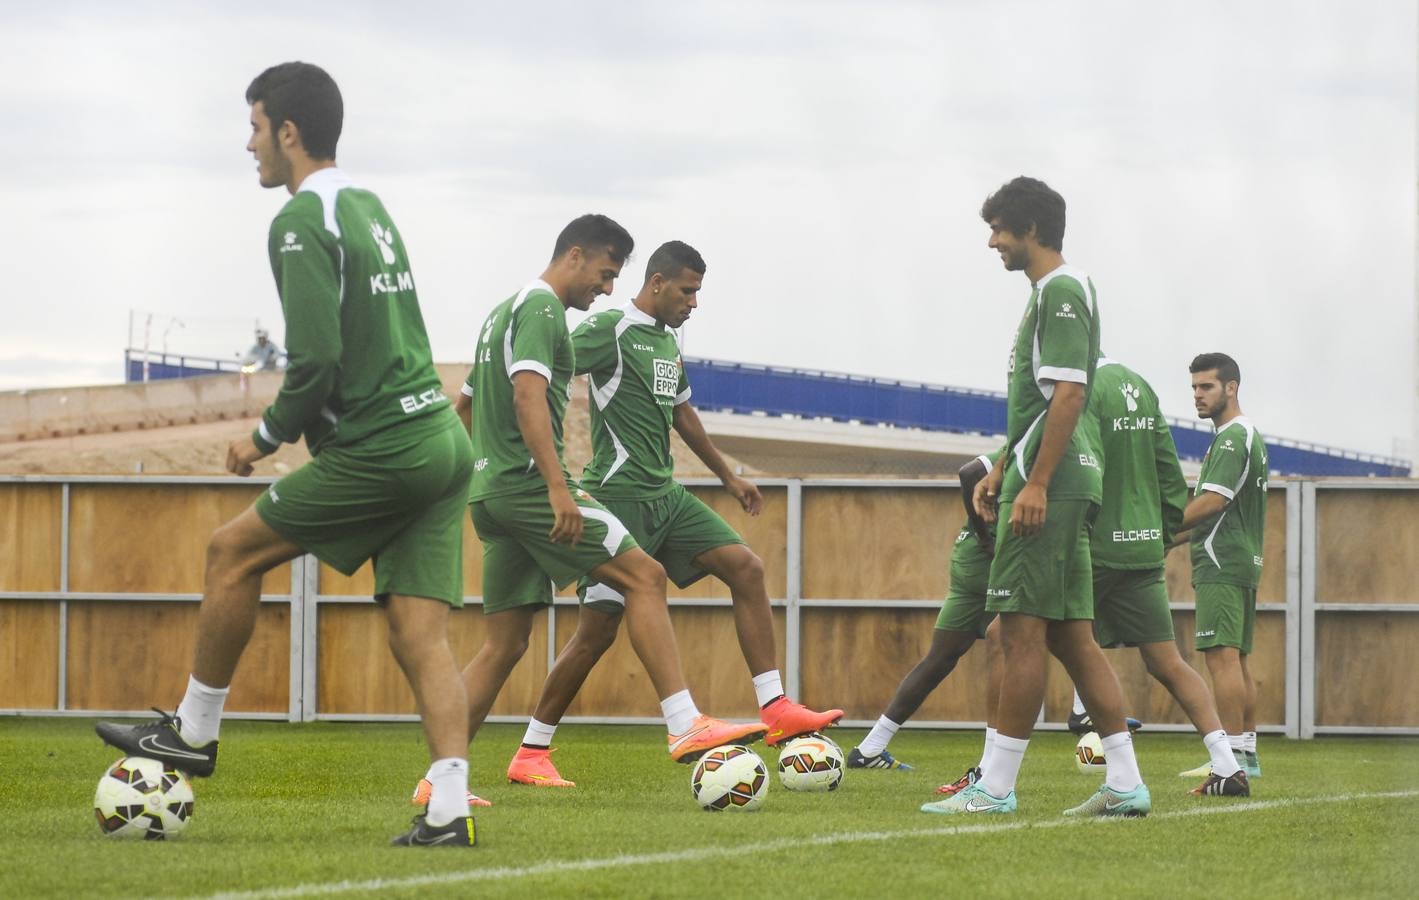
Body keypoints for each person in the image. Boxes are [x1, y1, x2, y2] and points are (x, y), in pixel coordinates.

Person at [96, 62, 477, 848]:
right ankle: (448, 812)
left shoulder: (300, 220)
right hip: (442, 439)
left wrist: (261, 438)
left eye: (255, 127)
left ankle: (194, 731)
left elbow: (315, 361)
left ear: (289, 133)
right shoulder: (367, 205)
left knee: (231, 552)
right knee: (419, 635)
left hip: (387, 447)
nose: (249, 145)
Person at [432, 219, 766, 805]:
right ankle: (685, 721)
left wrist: (443, 476)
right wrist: (559, 489)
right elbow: (528, 396)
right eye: (607, 274)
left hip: (490, 494)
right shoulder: (541, 311)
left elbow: (462, 402)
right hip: (531, 488)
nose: (609, 288)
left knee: (504, 643)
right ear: (576, 256)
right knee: (645, 576)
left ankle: (441, 776)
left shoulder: (500, 312)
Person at [501, 241, 841, 788]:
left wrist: (728, 477)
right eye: (688, 291)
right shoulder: (609, 329)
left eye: (699, 292)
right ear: (657, 283)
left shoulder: (666, 341)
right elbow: (544, 368)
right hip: (618, 498)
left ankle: (774, 707)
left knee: (747, 568)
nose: (694, 303)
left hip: (667, 497)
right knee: (594, 634)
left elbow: (683, 415)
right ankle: (533, 751)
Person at [923, 175, 1150, 818]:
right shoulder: (1051, 293)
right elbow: (1042, 403)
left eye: (999, 229)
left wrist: (1038, 482)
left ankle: (994, 788)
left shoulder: (1062, 290)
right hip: (1050, 473)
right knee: (1074, 637)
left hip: (1056, 481)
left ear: (1030, 231)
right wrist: (1002, 466)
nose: (992, 242)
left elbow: (1072, 394)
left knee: (1016, 632)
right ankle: (1126, 783)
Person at [938, 357, 1248, 799]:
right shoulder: (1139, 384)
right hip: (1142, 546)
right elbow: (1168, 470)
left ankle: (991, 775)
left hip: (1096, 543)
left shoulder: (1076, 390)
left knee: (1007, 636)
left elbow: (1072, 451)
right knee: (1167, 661)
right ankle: (1227, 763)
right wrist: (1157, 534)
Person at [846, 452, 999, 772]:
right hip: (994, 564)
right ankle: (991, 767)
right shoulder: (1032, 442)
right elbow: (969, 472)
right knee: (1034, 648)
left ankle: (871, 746)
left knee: (940, 658)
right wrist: (987, 537)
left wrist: (980, 536)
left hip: (969, 560)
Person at [1175, 352, 1267, 781]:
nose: (1197, 395)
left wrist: (1156, 530)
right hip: (1239, 558)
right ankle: (1245, 756)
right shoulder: (1244, 435)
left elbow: (1213, 502)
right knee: (1237, 660)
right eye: (1194, 387)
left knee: (1221, 659)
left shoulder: (1232, 437)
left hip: (1220, 559)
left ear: (1231, 387)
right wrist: (1163, 540)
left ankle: (1228, 762)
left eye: (1206, 386)